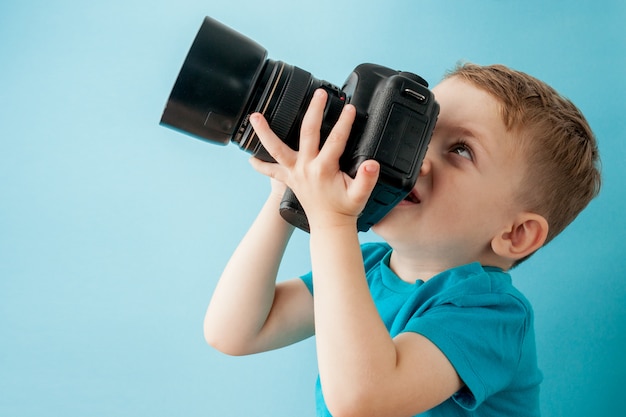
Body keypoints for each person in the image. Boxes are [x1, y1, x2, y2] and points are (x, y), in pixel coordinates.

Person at [203, 63, 601, 417]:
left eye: (461, 150)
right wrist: (288, 192)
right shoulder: (367, 266)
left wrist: (332, 221)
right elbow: (234, 331)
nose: (417, 158)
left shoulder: (493, 314)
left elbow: (363, 399)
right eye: (420, 130)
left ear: (515, 234)